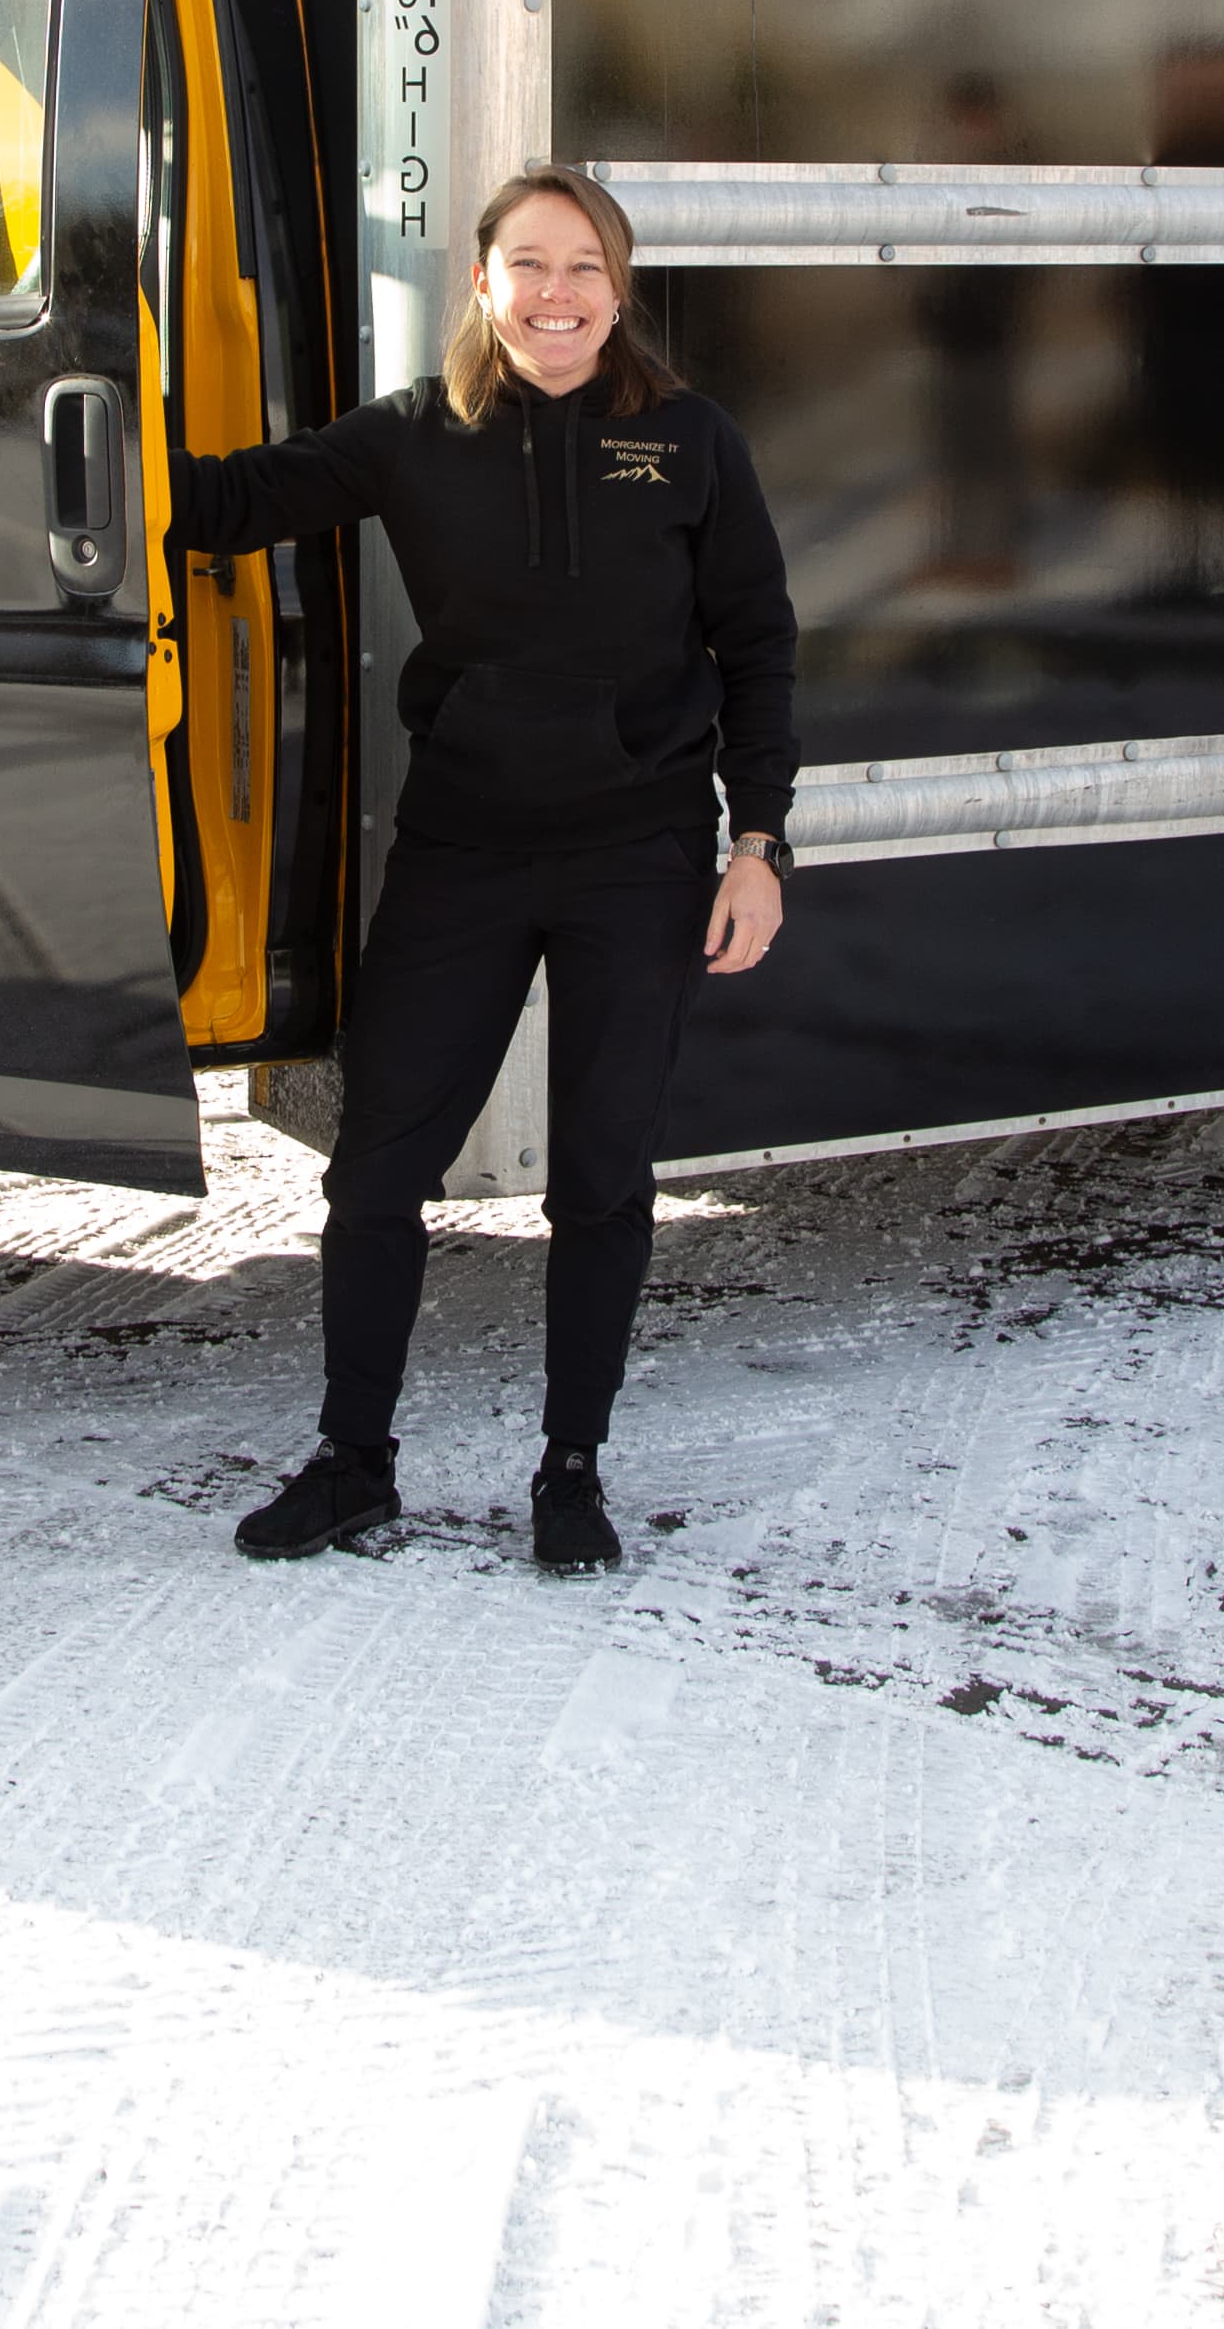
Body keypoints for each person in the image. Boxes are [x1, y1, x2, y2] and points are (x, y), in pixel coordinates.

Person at [173, 165, 799, 1574]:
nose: (557, 293)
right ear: (483, 282)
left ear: (619, 288)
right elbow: (222, 505)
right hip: (460, 848)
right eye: (530, 264)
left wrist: (754, 841)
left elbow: (758, 645)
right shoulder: (419, 431)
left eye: (584, 267)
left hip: (635, 856)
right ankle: (354, 1460)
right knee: (379, 1161)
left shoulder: (690, 442)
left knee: (602, 1171)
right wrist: (69, 414)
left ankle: (572, 1468)